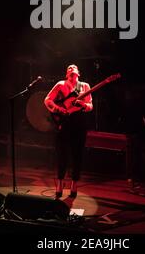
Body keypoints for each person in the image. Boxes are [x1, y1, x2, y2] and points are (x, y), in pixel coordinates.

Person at [44, 64, 93, 198]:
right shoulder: (61, 84)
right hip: (65, 122)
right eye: (69, 68)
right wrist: (58, 109)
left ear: (79, 73)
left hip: (79, 122)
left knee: (78, 154)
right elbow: (47, 100)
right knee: (62, 153)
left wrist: (83, 105)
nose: (72, 69)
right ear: (66, 74)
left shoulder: (85, 86)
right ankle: (60, 182)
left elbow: (90, 106)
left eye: (74, 68)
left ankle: (74, 184)